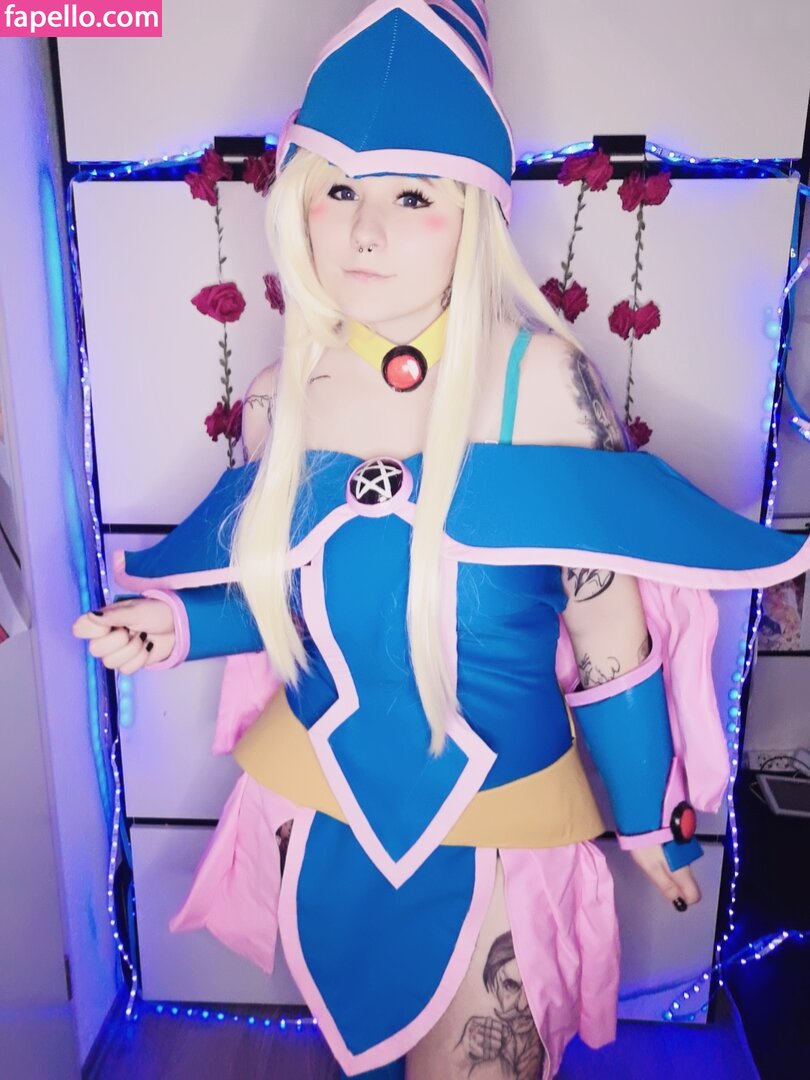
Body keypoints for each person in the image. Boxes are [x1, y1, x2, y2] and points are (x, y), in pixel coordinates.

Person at [72, 3, 810, 1077]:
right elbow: (295, 598)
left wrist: (647, 819)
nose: (364, 232)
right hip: (317, 802)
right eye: (339, 191)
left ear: (474, 212)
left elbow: (606, 629)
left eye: (411, 196)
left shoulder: (542, 382)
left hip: (500, 819)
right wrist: (174, 624)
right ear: (298, 204)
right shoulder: (281, 397)